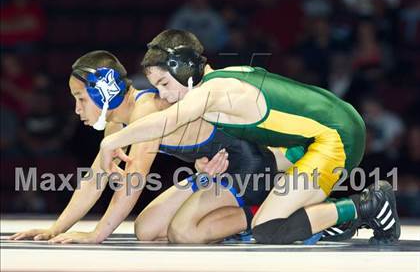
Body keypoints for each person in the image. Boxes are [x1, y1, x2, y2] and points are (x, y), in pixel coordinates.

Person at [99, 29, 400, 244]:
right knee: (269, 202)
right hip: (305, 140)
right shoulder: (224, 78)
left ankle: (365, 204)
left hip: (336, 136)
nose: (163, 94)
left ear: (185, 69)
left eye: (164, 83)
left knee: (268, 228)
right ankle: (319, 214)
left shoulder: (211, 92)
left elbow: (163, 123)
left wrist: (110, 141)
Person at [9, 50, 294, 244]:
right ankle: (227, 219)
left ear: (103, 90)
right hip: (218, 170)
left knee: (184, 232)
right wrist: (54, 229)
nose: (76, 108)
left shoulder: (144, 113)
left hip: (252, 163)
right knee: (147, 230)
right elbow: (95, 179)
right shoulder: (117, 124)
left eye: (81, 98)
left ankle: (267, 215)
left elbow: (133, 183)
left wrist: (97, 234)